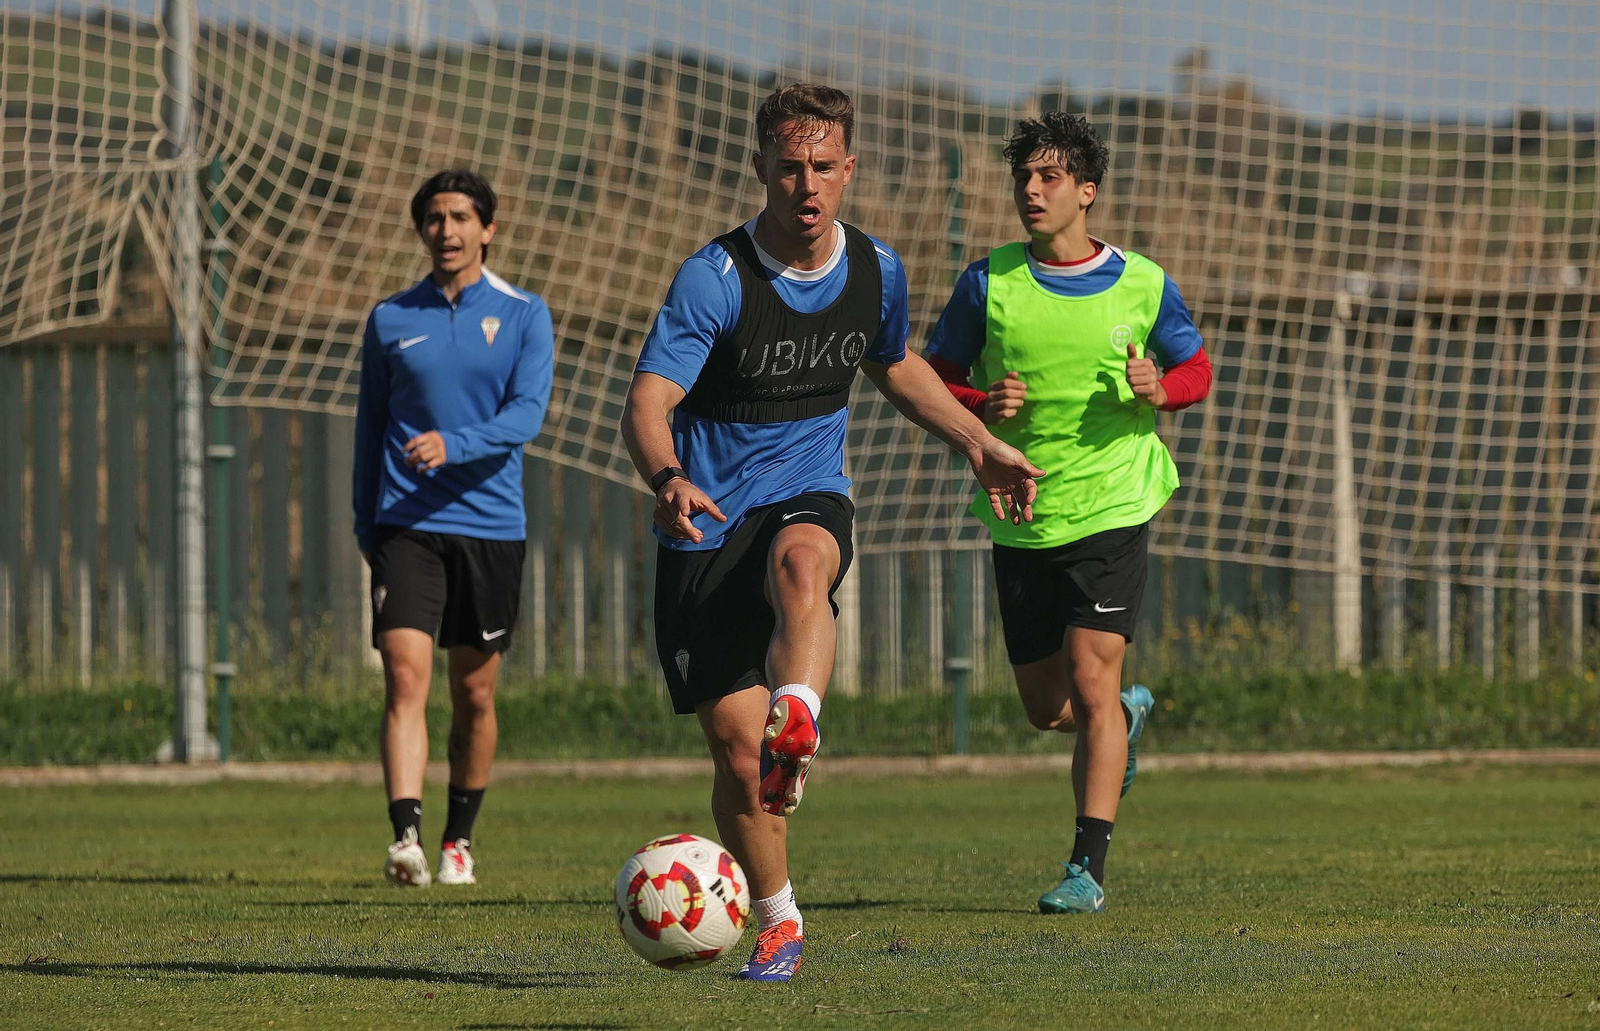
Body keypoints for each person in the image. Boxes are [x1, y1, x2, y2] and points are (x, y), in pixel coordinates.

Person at [621, 83, 1043, 981]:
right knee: (738, 761)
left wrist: (979, 442)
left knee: (804, 566)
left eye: (822, 166)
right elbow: (648, 400)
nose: (805, 184)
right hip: (703, 526)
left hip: (806, 489)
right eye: (787, 166)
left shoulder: (877, 271)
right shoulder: (716, 277)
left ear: (849, 169)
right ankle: (778, 917)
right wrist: (668, 478)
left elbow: (896, 366)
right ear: (760, 168)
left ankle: (800, 712)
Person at [925, 112, 1213, 914]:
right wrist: (984, 400)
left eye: (1049, 177)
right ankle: (1121, 720)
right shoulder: (989, 282)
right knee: (1048, 707)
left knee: (1090, 682)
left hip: (1116, 500)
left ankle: (1084, 867)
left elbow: (1194, 368)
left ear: (1087, 192)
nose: (1032, 189)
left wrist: (1163, 389)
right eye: (1023, 177)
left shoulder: (1144, 282)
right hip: (1021, 510)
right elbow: (930, 378)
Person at [353, 169, 555, 888]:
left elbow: (526, 416)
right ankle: (405, 836)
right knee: (405, 679)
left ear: (487, 228)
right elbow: (369, 427)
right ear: (421, 229)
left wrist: (454, 443)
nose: (447, 229)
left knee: (473, 695)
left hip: (492, 528)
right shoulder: (389, 318)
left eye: (461, 216)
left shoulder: (526, 313)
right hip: (405, 524)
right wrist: (365, 521)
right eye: (434, 218)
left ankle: (457, 840)